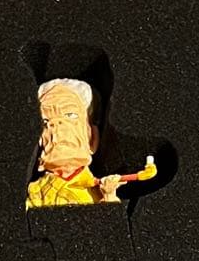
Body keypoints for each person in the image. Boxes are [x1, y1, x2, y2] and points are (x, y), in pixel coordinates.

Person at [26, 78, 125, 209]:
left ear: (92, 137)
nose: (56, 124)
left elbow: (109, 220)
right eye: (45, 122)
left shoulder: (97, 189)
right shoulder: (36, 191)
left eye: (70, 115)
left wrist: (109, 196)